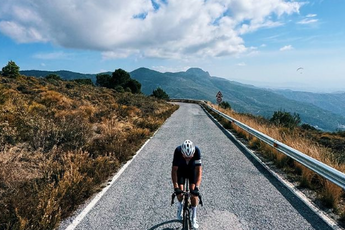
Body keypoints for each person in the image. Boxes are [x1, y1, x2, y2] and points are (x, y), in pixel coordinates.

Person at [171, 140, 202, 229]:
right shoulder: (177, 151)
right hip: (181, 171)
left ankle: (194, 217)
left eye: (190, 157)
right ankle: (180, 205)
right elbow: (174, 171)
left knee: (194, 195)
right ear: (182, 153)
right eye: (185, 157)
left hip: (192, 171)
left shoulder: (197, 151)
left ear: (193, 153)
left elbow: (199, 171)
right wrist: (176, 187)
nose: (187, 159)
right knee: (180, 193)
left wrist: (197, 187)